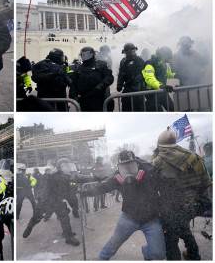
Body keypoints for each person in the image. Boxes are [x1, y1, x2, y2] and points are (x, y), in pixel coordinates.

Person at [81, 150, 166, 260]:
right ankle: (102, 259)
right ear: (119, 167)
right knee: (113, 244)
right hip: (129, 217)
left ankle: (147, 252)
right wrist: (84, 192)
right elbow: (103, 187)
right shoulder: (118, 177)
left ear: (137, 163)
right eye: (124, 167)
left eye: (131, 166)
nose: (128, 171)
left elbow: (166, 185)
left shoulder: (150, 172)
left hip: (151, 219)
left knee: (158, 254)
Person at [152, 128, 211, 260]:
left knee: (170, 239)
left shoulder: (157, 162)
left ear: (160, 145)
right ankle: (193, 255)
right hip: (193, 205)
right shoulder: (194, 157)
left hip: (171, 208)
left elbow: (153, 189)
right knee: (183, 227)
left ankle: (187, 256)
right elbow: (206, 183)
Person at [23, 158, 85, 246]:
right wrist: (41, 201)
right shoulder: (53, 175)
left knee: (64, 217)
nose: (69, 168)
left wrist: (95, 178)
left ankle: (68, 236)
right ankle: (29, 227)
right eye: (67, 166)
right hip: (45, 201)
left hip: (57, 201)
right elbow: (44, 187)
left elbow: (72, 184)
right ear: (62, 166)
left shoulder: (65, 176)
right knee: (37, 217)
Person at [70, 47, 114, 111]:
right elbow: (73, 83)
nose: (84, 56)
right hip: (84, 100)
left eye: (86, 54)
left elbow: (109, 77)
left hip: (99, 98)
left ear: (92, 54)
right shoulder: (79, 68)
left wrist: (101, 86)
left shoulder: (101, 65)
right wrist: (74, 96)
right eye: (82, 54)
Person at [142, 46, 175, 111]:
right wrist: (160, 85)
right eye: (168, 57)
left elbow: (168, 74)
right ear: (163, 55)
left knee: (172, 109)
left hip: (162, 92)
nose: (168, 60)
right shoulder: (149, 63)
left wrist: (179, 75)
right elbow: (149, 78)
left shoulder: (164, 64)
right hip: (152, 94)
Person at [116, 43, 146, 111]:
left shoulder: (139, 60)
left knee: (139, 110)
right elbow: (121, 74)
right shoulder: (123, 61)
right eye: (128, 51)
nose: (131, 53)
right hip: (127, 90)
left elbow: (143, 74)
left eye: (133, 50)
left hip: (138, 90)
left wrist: (136, 81)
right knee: (126, 109)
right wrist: (119, 85)